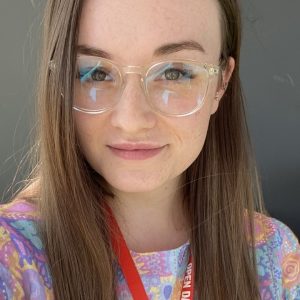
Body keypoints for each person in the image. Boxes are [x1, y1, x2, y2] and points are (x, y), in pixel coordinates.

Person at [0, 0, 299, 299]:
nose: (132, 121)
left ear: (221, 82)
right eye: (96, 73)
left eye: (174, 73)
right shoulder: (11, 254)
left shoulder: (275, 256)